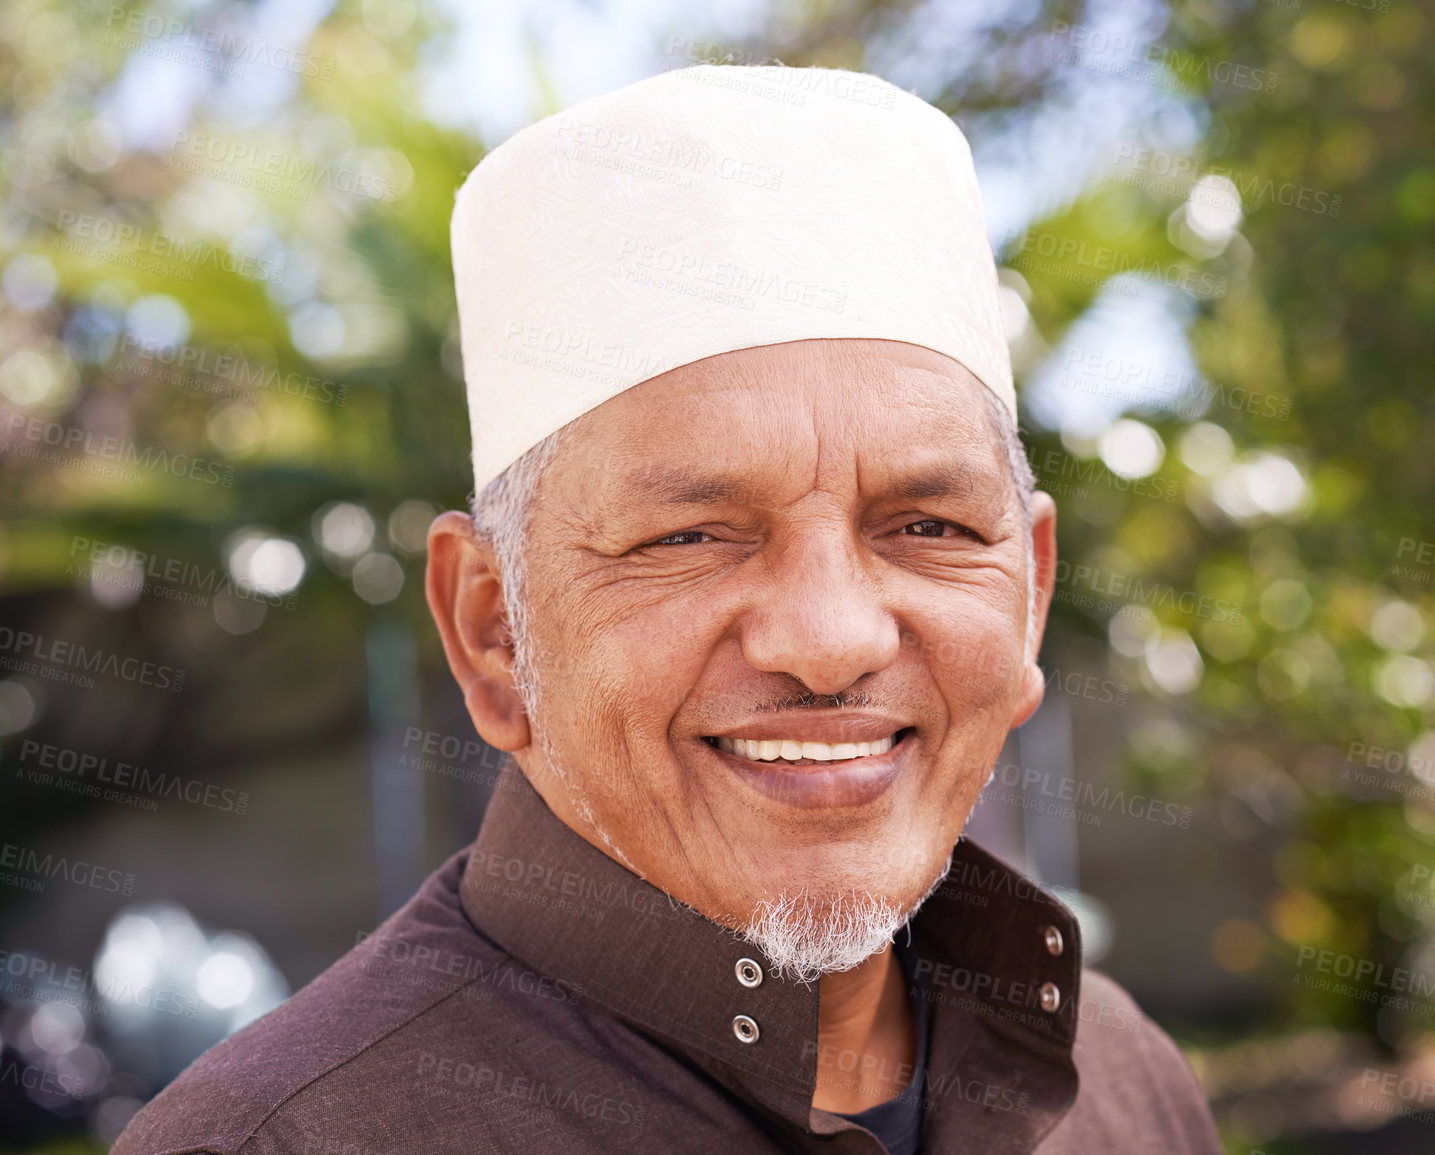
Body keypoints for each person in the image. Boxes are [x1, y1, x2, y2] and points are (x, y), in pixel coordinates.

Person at [114, 64, 1222, 1154]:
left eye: (927, 525)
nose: (832, 638)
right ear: (495, 631)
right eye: (690, 537)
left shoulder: (1122, 1085)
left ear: (1028, 592)